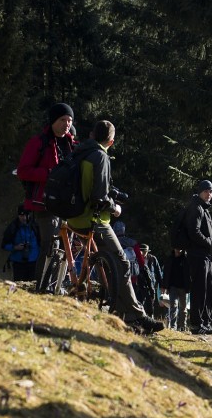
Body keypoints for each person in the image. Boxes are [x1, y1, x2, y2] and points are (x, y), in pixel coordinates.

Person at [65, 120, 163, 334]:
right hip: (93, 220)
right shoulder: (100, 156)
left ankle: (122, 310)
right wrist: (115, 208)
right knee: (122, 263)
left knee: (106, 263)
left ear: (92, 134)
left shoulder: (79, 151)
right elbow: (98, 196)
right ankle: (135, 315)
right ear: (111, 141)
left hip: (73, 217)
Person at [17, 102, 76, 290]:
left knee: (67, 247)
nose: (66, 124)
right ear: (53, 121)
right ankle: (42, 287)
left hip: (68, 204)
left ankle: (57, 286)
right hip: (43, 203)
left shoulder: (73, 144)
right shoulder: (38, 142)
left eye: (69, 120)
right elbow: (23, 171)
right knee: (50, 244)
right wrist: (49, 174)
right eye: (62, 120)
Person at [182, 180, 212, 334]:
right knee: (200, 289)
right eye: (206, 191)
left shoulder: (204, 208)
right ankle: (197, 324)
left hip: (206, 255)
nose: (209, 194)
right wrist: (210, 243)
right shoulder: (196, 207)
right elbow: (194, 231)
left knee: (209, 287)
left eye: (211, 192)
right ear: (200, 191)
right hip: (197, 255)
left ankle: (206, 322)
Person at [1, 204, 40, 281]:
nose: (24, 218)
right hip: (18, 262)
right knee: (20, 286)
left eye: (26, 215)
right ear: (18, 215)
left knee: (33, 286)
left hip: (34, 262)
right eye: (21, 216)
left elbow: (41, 242)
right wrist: (15, 247)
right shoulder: (13, 227)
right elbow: (3, 245)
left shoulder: (35, 225)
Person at [162, 249, 189, 331]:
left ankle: (182, 326)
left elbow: (189, 274)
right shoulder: (170, 259)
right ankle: (173, 326)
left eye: (180, 249)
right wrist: (164, 286)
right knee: (173, 306)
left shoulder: (186, 259)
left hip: (183, 288)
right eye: (177, 249)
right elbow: (166, 273)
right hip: (172, 287)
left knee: (183, 308)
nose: (178, 251)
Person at [138, 244, 163, 319]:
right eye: (142, 251)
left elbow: (158, 272)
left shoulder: (152, 258)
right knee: (140, 300)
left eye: (145, 251)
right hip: (140, 283)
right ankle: (140, 318)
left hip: (151, 283)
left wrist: (161, 285)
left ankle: (150, 317)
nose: (143, 253)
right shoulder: (136, 259)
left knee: (150, 301)